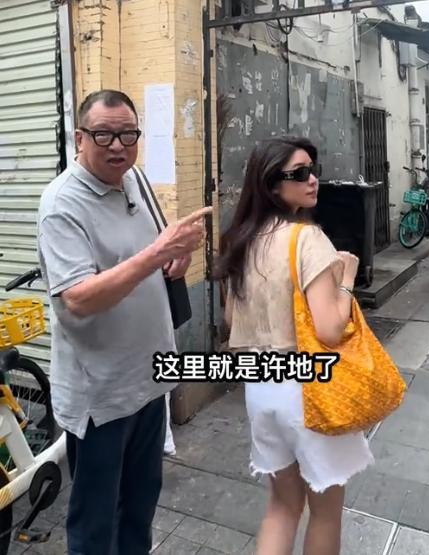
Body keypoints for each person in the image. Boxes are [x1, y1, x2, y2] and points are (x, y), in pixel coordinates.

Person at [37, 89, 211, 555]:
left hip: (150, 381)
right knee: (95, 523)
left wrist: (175, 258)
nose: (118, 146)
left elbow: (152, 253)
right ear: (79, 138)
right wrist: (156, 253)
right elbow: (77, 299)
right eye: (104, 135)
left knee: (139, 508)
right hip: (102, 397)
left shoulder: (134, 179)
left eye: (128, 134)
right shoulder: (61, 205)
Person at [215, 136, 374, 554]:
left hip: (260, 388)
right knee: (325, 512)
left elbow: (232, 320)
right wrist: (347, 279)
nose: (313, 180)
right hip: (307, 392)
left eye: (312, 170)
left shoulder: (242, 239)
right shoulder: (307, 240)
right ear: (271, 184)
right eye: (299, 174)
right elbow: (330, 330)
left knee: (282, 506)